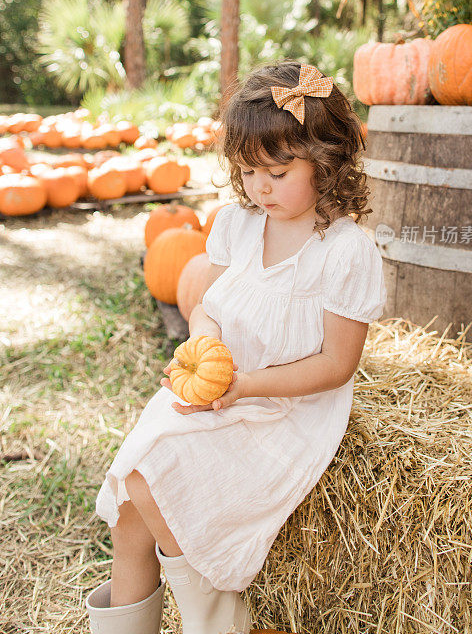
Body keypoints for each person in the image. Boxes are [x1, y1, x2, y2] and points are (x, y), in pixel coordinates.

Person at [85, 61, 387, 634]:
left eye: (277, 170)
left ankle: (220, 625)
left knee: (149, 477)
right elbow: (207, 304)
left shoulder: (345, 252)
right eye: (249, 172)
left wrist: (242, 385)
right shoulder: (238, 224)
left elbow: (336, 365)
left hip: (282, 409)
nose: (261, 187)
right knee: (129, 510)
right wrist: (205, 343)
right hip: (220, 387)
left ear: (326, 160)